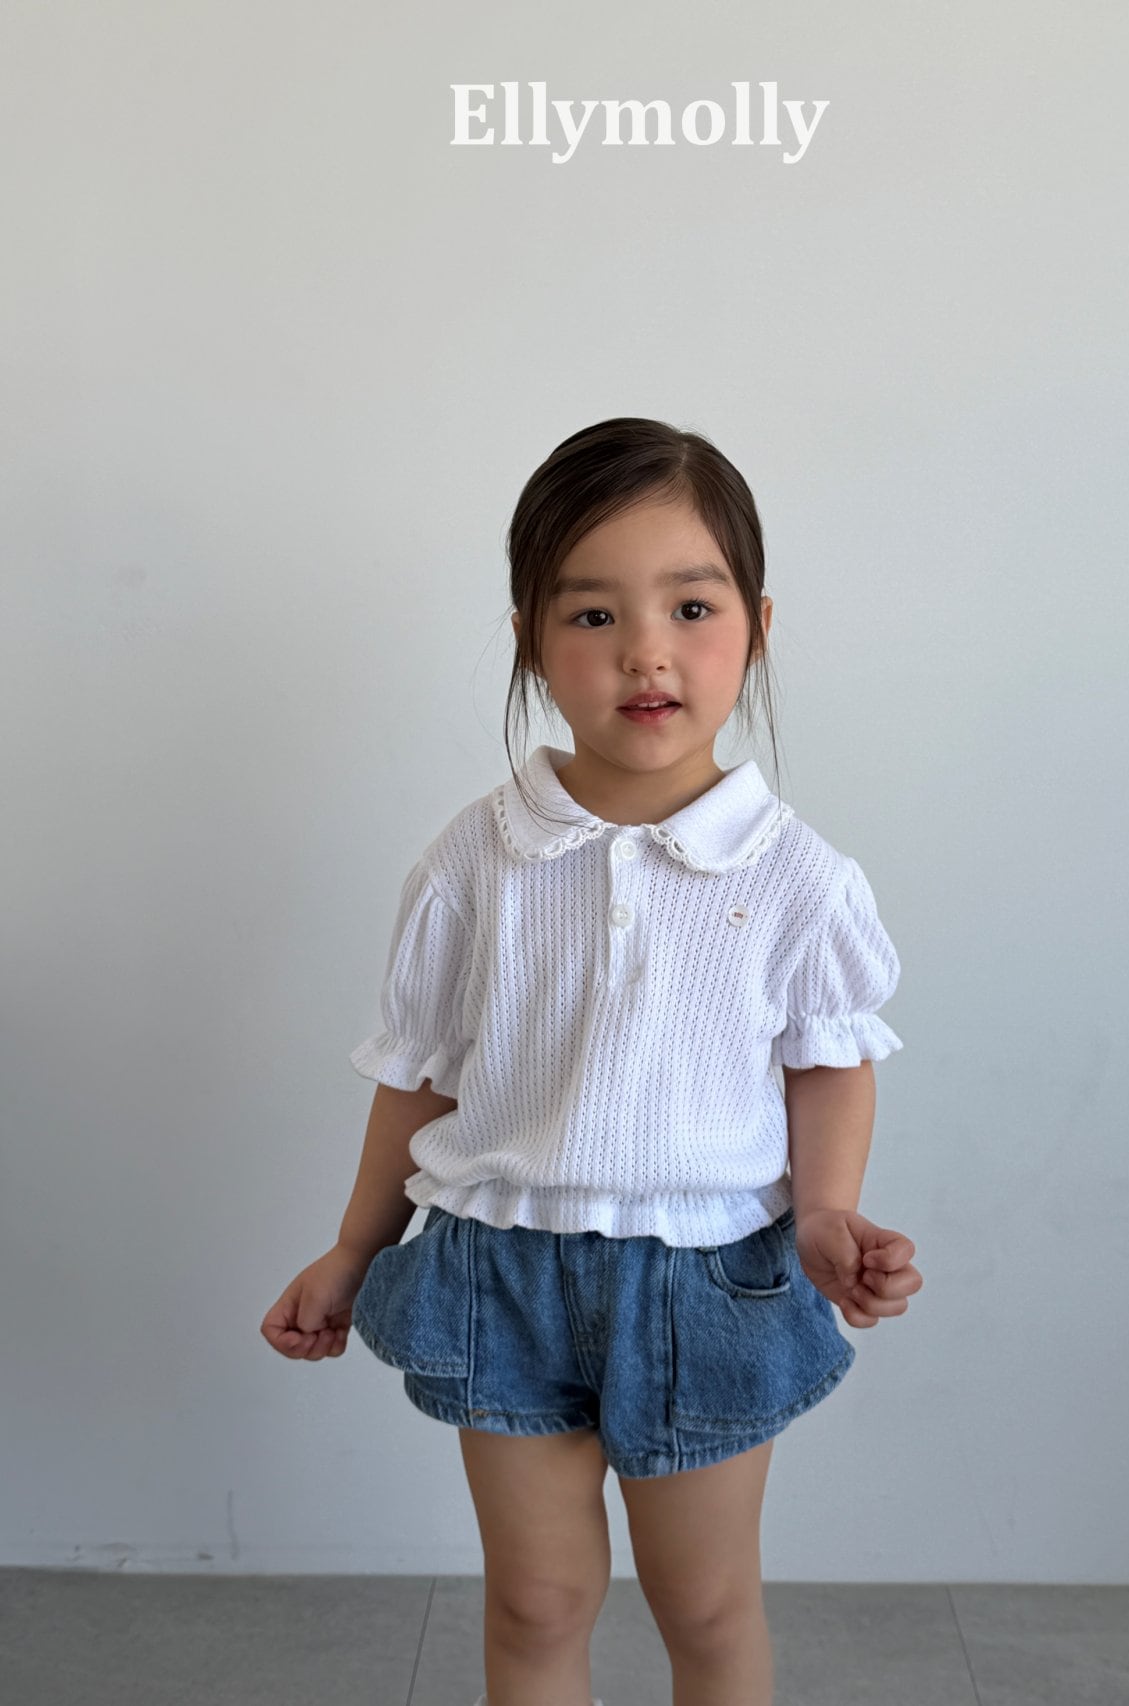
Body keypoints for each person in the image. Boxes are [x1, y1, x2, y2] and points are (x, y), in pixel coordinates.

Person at [261, 417, 923, 1706]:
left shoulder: (798, 876)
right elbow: (422, 1070)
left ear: (758, 629)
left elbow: (830, 1061)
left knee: (706, 1603)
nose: (646, 651)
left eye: (691, 607)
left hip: (707, 1276)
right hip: (499, 1268)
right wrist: (351, 1248)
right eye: (594, 614)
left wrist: (826, 1211)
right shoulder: (477, 858)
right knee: (536, 1598)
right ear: (530, 637)